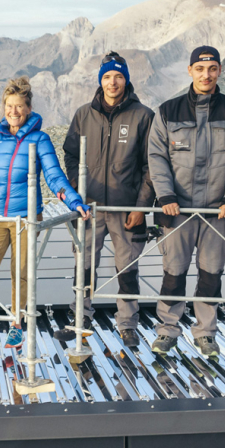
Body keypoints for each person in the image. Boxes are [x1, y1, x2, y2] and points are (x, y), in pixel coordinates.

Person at [0, 77, 89, 358]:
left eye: (19, 106)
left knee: (21, 273)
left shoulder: (39, 138)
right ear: (3, 107)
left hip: (26, 217)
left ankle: (17, 324)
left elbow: (54, 176)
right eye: (9, 105)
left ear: (29, 109)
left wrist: (74, 200)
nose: (13, 111)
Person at [146, 46, 225, 356]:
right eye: (200, 69)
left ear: (219, 71)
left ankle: (205, 333)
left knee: (211, 274)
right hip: (177, 210)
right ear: (190, 71)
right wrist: (165, 195)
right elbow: (156, 155)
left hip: (217, 211)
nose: (206, 75)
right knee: (173, 273)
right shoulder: (168, 111)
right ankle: (167, 330)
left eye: (212, 69)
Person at [59, 51, 155, 348]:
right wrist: (76, 189)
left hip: (126, 208)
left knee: (127, 268)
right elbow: (71, 153)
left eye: (118, 76)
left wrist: (140, 208)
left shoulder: (143, 116)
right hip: (89, 207)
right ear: (100, 81)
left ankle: (127, 324)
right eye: (107, 77)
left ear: (126, 79)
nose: (113, 82)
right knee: (84, 265)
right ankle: (80, 317)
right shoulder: (83, 114)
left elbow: (151, 165)